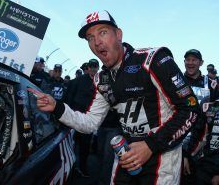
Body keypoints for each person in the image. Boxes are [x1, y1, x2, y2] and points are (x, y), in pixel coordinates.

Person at [32, 10, 199, 184]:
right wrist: (57, 107)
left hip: (162, 157)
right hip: (126, 155)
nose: (97, 42)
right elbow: (90, 123)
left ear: (118, 34)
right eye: (90, 37)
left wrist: (150, 145)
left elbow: (190, 110)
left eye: (103, 32)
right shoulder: (101, 79)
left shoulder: (152, 59)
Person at [183, 71, 219, 185]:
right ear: (218, 85)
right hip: (208, 162)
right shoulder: (213, 106)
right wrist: (186, 156)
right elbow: (198, 132)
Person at [66, 58, 100, 177]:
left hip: (87, 120)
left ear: (98, 68)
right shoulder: (78, 81)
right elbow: (69, 96)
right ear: (88, 67)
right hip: (73, 118)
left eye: (95, 66)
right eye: (91, 66)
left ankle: (82, 167)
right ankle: (69, 166)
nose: (93, 69)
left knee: (85, 146)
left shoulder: (100, 82)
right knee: (70, 144)